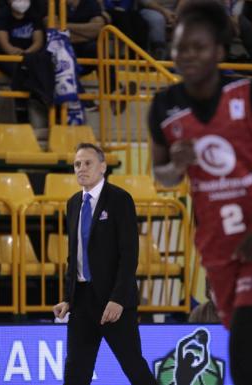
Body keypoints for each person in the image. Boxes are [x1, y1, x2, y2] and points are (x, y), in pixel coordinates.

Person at [148, 1, 252, 385]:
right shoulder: (164, 106)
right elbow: (160, 175)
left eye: (197, 47)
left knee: (246, 343)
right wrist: (175, 165)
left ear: (219, 51)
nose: (187, 55)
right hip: (218, 245)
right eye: (180, 48)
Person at [53, 143, 156, 385]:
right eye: (77, 164)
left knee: (133, 366)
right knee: (76, 372)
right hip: (82, 302)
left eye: (87, 163)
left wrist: (118, 298)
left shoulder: (120, 199)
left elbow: (129, 254)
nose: (81, 168)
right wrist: (68, 297)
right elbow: (74, 255)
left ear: (103, 166)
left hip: (113, 301)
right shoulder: (72, 203)